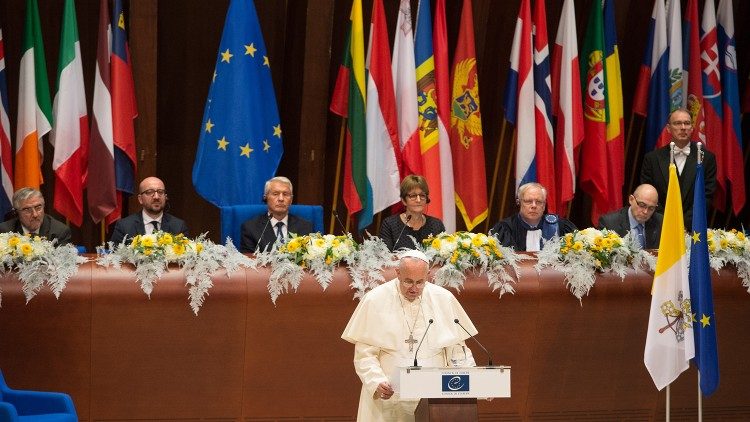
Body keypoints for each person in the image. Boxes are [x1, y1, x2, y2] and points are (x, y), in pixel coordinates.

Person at [341, 250, 477, 421]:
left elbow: (458, 351)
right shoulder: (375, 300)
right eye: (408, 281)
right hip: (389, 397)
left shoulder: (444, 299)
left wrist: (476, 382)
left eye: (420, 282)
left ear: (428, 275)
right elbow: (364, 355)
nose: (414, 289)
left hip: (433, 397)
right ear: (397, 273)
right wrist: (376, 382)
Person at [641, 108, 716, 229]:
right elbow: (648, 196)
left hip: (693, 229)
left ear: (692, 128)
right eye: (677, 123)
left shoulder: (706, 158)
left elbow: (706, 196)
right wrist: (667, 223)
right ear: (668, 128)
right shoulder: (652, 159)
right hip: (660, 227)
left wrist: (684, 224)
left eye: (687, 123)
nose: (683, 127)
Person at [490, 182, 576, 252]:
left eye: (538, 202)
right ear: (519, 202)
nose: (534, 206)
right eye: (528, 201)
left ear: (544, 205)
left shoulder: (561, 226)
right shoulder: (505, 228)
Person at [240, 176, 313, 253]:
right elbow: (248, 260)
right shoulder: (250, 228)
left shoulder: (306, 227)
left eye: (285, 194)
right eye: (275, 194)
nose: (281, 199)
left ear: (291, 200)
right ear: (266, 198)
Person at [110, 177, 189, 244]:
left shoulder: (178, 227)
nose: (156, 197)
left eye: (160, 192)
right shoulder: (124, 226)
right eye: (150, 192)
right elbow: (114, 258)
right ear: (140, 199)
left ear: (165, 197)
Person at [379, 175, 445, 251]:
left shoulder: (436, 225)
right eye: (413, 196)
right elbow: (384, 257)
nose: (418, 200)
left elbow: (443, 257)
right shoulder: (390, 225)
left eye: (422, 195)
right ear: (404, 200)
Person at [598, 184, 663, 249]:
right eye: (642, 205)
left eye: (651, 208)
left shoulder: (661, 222)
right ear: (631, 200)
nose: (645, 212)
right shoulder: (609, 223)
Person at [0, 188, 71, 245]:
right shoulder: (4, 231)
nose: (35, 214)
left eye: (38, 207)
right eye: (27, 209)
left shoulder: (59, 232)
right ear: (17, 212)